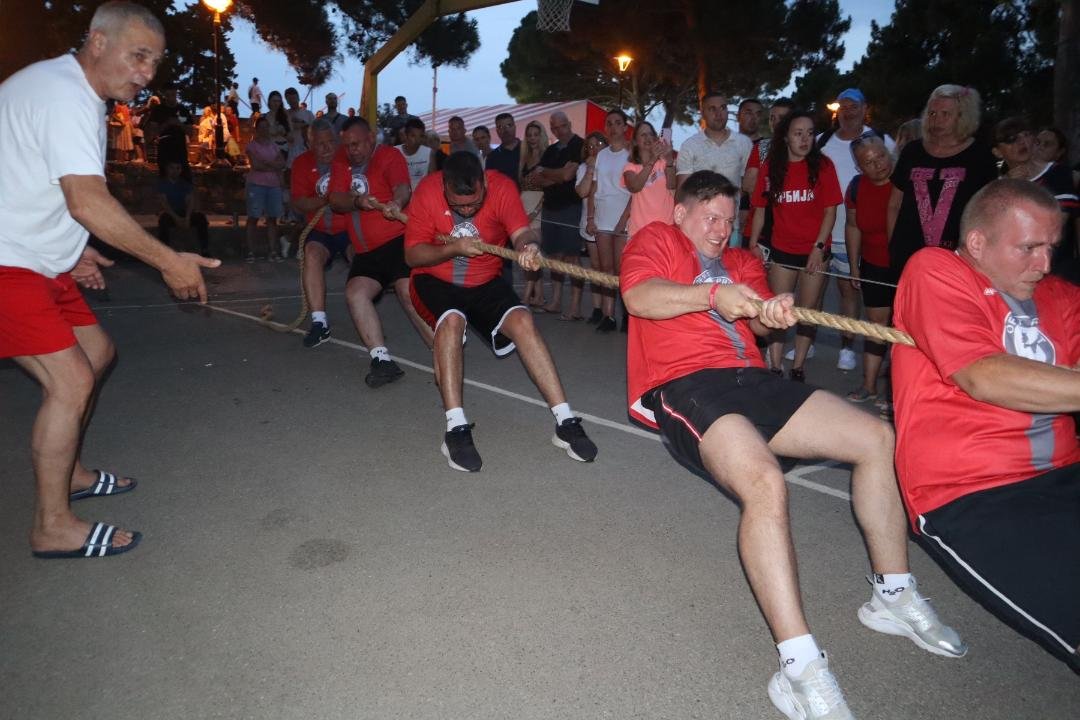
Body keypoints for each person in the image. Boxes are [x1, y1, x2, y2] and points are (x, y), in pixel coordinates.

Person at [622, 170, 965, 720]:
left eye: (729, 220)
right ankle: (800, 667)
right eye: (710, 218)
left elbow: (760, 329)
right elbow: (639, 297)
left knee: (877, 437)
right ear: (681, 213)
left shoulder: (741, 262)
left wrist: (771, 310)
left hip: (753, 379)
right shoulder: (657, 239)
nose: (721, 230)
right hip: (686, 383)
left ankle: (893, 594)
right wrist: (712, 295)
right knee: (764, 482)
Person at [0, 0, 219, 559]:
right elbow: (87, 200)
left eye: (155, 62)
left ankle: (69, 471)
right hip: (7, 261)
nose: (147, 73)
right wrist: (168, 260)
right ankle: (51, 526)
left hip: (35, 258)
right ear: (97, 42)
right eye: (138, 56)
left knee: (96, 353)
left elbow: (32, 181)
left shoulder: (76, 95)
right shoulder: (64, 95)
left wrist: (75, 250)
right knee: (71, 381)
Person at [892, 178, 1080, 671]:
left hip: (1065, 473)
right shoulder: (936, 269)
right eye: (1029, 248)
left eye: (1052, 247)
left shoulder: (1060, 296)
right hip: (973, 492)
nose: (1045, 263)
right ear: (977, 242)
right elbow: (983, 375)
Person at [404, 151, 598, 472]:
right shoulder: (426, 191)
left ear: (484, 182)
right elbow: (412, 255)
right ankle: (455, 429)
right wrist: (454, 247)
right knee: (451, 321)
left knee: (523, 320)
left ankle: (565, 421)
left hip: (485, 280)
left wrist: (528, 247)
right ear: (444, 187)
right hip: (434, 280)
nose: (467, 211)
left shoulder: (502, 187)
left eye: (474, 204)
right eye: (459, 206)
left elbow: (522, 232)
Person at [327, 117, 434, 387]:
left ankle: (442, 348)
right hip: (366, 251)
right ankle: (382, 361)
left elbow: (402, 188)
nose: (352, 150)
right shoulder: (341, 161)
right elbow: (335, 199)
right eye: (347, 145)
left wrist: (396, 203)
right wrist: (357, 201)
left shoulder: (389, 156)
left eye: (356, 144)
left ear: (371, 138)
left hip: (397, 241)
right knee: (355, 293)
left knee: (408, 292)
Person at [748, 110, 843, 382]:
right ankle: (776, 365)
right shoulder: (772, 168)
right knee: (779, 308)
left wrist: (818, 247)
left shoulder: (823, 166)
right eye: (798, 133)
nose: (804, 139)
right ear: (786, 137)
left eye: (810, 133)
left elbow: (830, 211)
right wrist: (754, 243)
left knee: (807, 310)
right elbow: (760, 209)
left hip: (815, 250)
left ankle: (798, 366)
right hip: (782, 249)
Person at [816, 89, 896, 372]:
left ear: (864, 108)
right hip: (839, 233)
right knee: (848, 292)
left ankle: (888, 355)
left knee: (888, 302)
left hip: (879, 236)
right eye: (843, 107)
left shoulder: (883, 139)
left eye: (854, 106)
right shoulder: (822, 142)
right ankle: (847, 347)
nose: (848, 112)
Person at [887, 84, 997, 281]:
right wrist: (893, 246)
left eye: (945, 114)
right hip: (909, 257)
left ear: (962, 116)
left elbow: (988, 212)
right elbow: (894, 204)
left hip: (959, 259)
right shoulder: (912, 151)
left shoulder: (980, 156)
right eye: (932, 113)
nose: (937, 120)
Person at [843, 136, 897, 408]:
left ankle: (898, 393)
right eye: (869, 162)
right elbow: (853, 227)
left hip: (906, 265)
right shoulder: (856, 187)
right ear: (859, 167)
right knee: (876, 325)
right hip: (873, 264)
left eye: (881, 156)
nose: (878, 165)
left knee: (903, 329)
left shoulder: (906, 182)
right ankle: (869, 385)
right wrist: (854, 266)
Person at [290, 118, 351, 348]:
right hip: (320, 229)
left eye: (331, 142)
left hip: (349, 227)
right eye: (320, 144)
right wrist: (327, 200)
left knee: (362, 259)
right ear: (310, 144)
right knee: (312, 254)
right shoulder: (301, 164)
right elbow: (299, 203)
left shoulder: (348, 158)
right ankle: (319, 322)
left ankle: (366, 314)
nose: (327, 148)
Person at [676, 91, 752, 245]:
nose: (719, 113)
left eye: (723, 108)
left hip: (731, 228)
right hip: (698, 229)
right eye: (712, 109)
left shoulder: (743, 144)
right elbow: (683, 192)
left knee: (731, 262)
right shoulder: (690, 146)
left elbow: (749, 186)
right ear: (703, 113)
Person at [529, 111, 583, 316]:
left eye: (563, 126)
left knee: (572, 257)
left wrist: (547, 172)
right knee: (553, 257)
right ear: (551, 129)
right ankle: (556, 301)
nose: (560, 130)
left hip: (571, 207)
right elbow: (536, 179)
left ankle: (575, 306)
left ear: (570, 123)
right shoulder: (550, 150)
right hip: (550, 208)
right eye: (555, 127)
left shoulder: (580, 145)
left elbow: (568, 175)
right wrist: (559, 175)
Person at [588, 108, 632, 326]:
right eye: (609, 123)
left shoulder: (632, 153)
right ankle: (608, 315)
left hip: (624, 217)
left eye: (617, 123)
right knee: (606, 269)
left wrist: (624, 220)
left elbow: (636, 192)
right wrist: (590, 217)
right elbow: (594, 188)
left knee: (623, 269)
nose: (613, 127)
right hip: (603, 217)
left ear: (625, 127)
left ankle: (627, 315)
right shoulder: (601, 155)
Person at [741, 98, 794, 247]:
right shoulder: (762, 147)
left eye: (781, 118)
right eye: (772, 118)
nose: (775, 122)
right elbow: (748, 185)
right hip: (760, 228)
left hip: (793, 230)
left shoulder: (806, 150)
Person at [571, 131, 608, 321]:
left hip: (611, 222)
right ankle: (597, 308)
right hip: (590, 222)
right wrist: (591, 170)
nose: (594, 149)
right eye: (590, 146)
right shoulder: (583, 168)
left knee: (609, 267)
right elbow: (582, 192)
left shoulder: (613, 164)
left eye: (598, 144)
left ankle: (610, 312)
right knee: (595, 265)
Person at [244, 116, 286, 262]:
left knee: (272, 218)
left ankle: (273, 251)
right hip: (256, 185)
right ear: (257, 129)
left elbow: (281, 163)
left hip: (273, 185)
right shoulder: (252, 146)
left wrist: (266, 163)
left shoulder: (274, 146)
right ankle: (251, 251)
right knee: (253, 217)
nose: (264, 130)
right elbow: (256, 165)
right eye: (261, 127)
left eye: (266, 127)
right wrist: (273, 164)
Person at [518, 120, 549, 308]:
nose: (532, 138)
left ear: (541, 136)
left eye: (536, 134)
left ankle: (526, 296)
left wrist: (536, 211)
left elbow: (548, 190)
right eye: (529, 135)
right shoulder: (524, 158)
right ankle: (539, 297)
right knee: (525, 249)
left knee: (533, 249)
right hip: (523, 206)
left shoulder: (547, 157)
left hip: (538, 208)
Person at [157, 159, 210, 256]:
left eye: (178, 168)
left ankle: (204, 250)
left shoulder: (184, 184)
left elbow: (190, 201)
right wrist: (176, 218)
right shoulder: (162, 184)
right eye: (172, 168)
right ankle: (164, 252)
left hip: (184, 212)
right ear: (167, 169)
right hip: (170, 214)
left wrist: (187, 218)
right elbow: (165, 204)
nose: (175, 171)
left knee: (201, 218)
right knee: (163, 221)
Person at [397, 116, 433, 190]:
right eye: (413, 135)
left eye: (420, 136)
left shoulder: (429, 153)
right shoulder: (395, 152)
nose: (417, 140)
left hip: (422, 193)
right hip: (400, 193)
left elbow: (432, 179)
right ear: (406, 136)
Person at [485, 112, 521, 186]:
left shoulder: (529, 148)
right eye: (501, 127)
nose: (506, 130)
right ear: (497, 131)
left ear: (515, 127)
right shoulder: (492, 157)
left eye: (509, 125)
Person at [284, 86, 314, 168]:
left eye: (294, 98)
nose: (292, 101)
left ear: (298, 98)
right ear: (287, 101)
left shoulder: (308, 114)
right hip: (290, 154)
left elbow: (315, 131)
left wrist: (302, 123)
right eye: (289, 99)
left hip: (306, 151)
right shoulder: (285, 115)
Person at [264, 90, 291, 158]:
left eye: (278, 101)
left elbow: (292, 137)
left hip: (284, 149)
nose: (276, 103)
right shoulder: (264, 117)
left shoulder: (286, 116)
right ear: (269, 102)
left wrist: (283, 133)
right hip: (269, 150)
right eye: (274, 101)